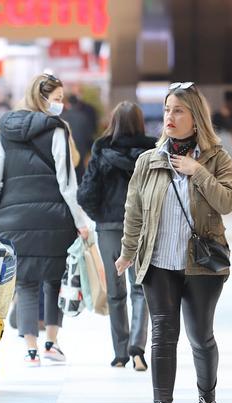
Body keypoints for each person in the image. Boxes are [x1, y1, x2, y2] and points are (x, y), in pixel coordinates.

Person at [115, 82, 232, 403]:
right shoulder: (149, 160)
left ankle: (207, 399)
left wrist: (198, 171)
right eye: (167, 109)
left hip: (202, 264)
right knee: (163, 335)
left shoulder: (216, 158)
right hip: (159, 261)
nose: (169, 116)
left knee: (200, 336)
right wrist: (127, 252)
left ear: (196, 118)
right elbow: (134, 210)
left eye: (178, 110)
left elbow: (228, 202)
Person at [0, 73, 90, 366]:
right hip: (54, 219)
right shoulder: (57, 131)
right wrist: (81, 221)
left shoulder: (3, 132)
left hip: (14, 220)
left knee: (26, 284)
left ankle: (30, 350)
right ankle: (51, 344)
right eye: (57, 99)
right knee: (54, 281)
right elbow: (67, 183)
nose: (61, 104)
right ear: (42, 99)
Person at [77, 101, 155, 370]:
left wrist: (99, 215)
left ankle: (120, 353)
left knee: (115, 291)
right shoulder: (152, 151)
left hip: (109, 227)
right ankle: (137, 349)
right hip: (142, 226)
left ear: (114, 122)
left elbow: (86, 193)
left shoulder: (101, 150)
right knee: (140, 287)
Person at [61, 93, 98, 182]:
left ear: (68, 104)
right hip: (80, 152)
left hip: (65, 152)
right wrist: (90, 151)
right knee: (79, 178)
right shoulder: (83, 117)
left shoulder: (62, 117)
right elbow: (89, 136)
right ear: (78, 104)